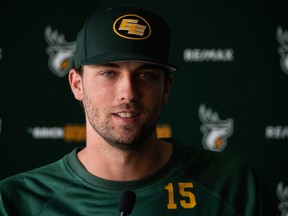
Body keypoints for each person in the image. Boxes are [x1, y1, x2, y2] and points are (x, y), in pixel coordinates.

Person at [0, 5, 278, 216]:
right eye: (109, 73)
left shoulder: (233, 186)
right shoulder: (17, 200)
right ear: (77, 84)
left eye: (145, 75)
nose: (128, 93)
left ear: (166, 87)